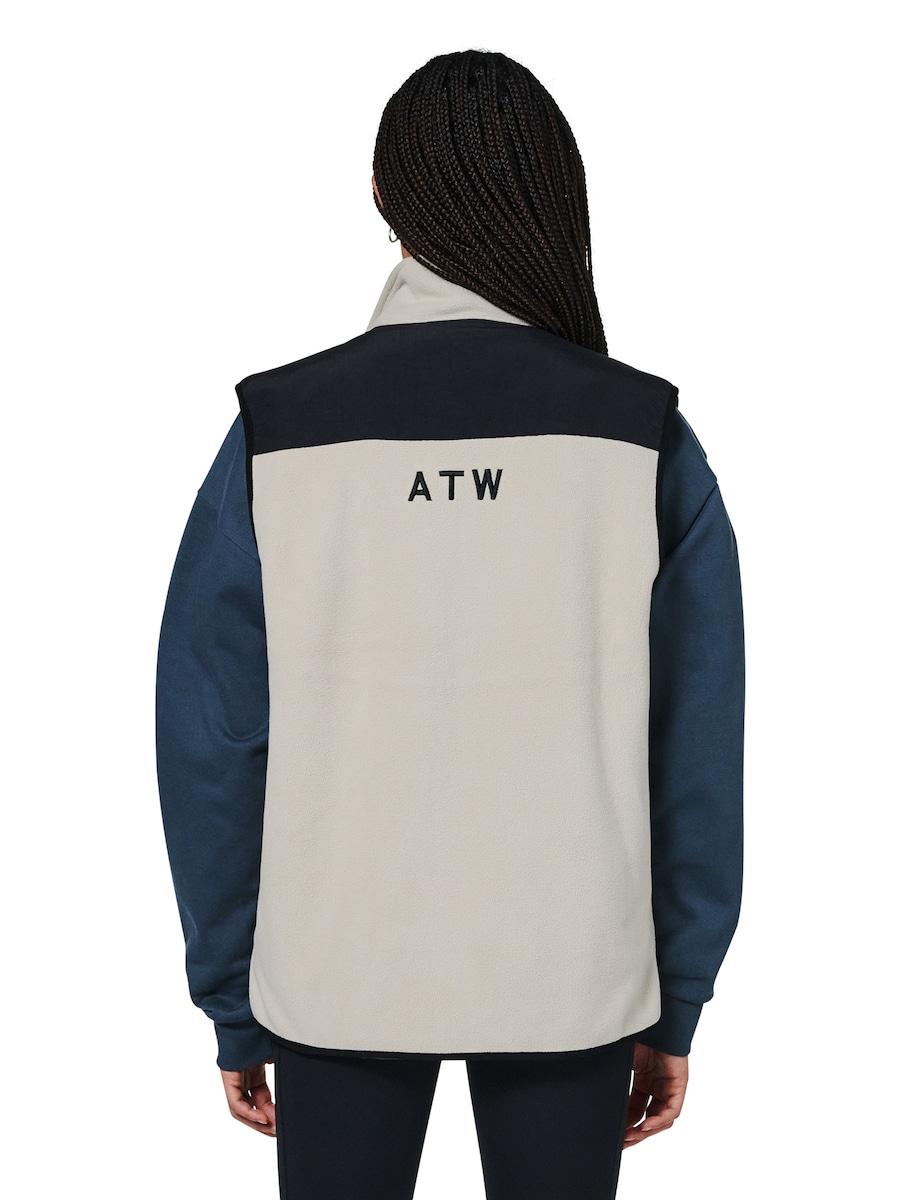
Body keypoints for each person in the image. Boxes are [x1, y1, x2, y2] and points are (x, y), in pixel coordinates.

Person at [157, 49, 744, 1199]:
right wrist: (677, 997)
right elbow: (696, 742)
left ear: (382, 194)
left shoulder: (279, 435)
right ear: (556, 192)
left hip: (335, 971)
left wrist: (231, 998)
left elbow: (213, 737)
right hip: (574, 974)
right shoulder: (641, 438)